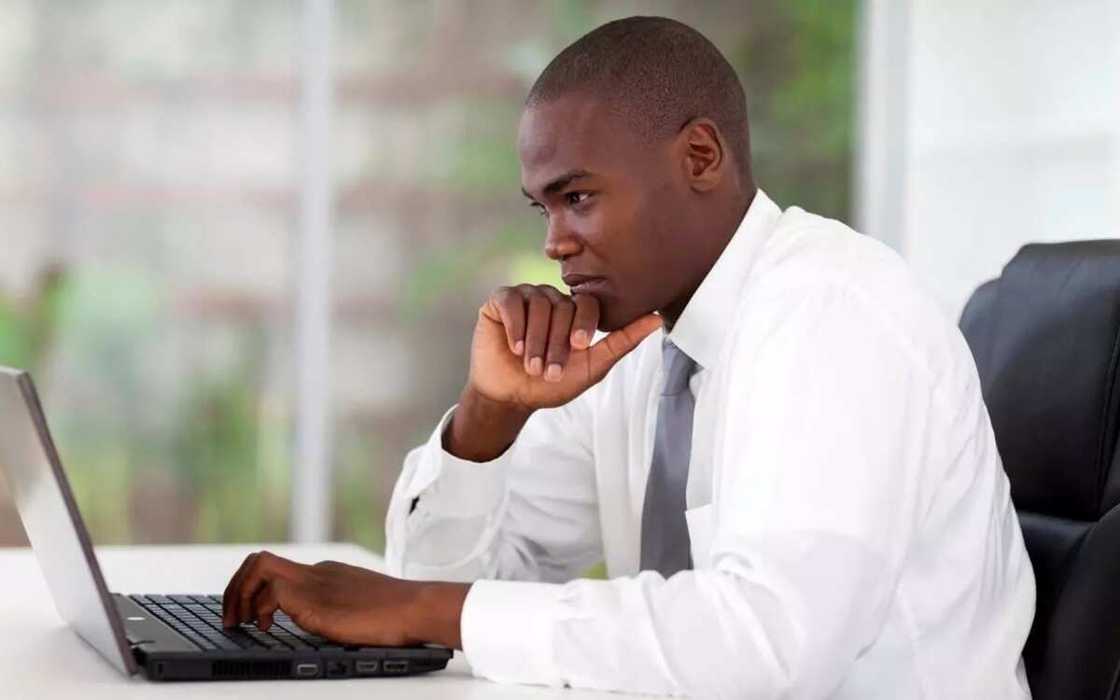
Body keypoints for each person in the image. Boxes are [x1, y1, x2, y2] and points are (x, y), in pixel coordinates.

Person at [221, 16, 1035, 698]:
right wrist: (486, 421)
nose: (552, 243)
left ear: (701, 158)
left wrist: (433, 609)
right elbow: (434, 594)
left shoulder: (832, 314)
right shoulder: (642, 346)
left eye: (578, 198)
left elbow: (769, 648)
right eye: (542, 207)